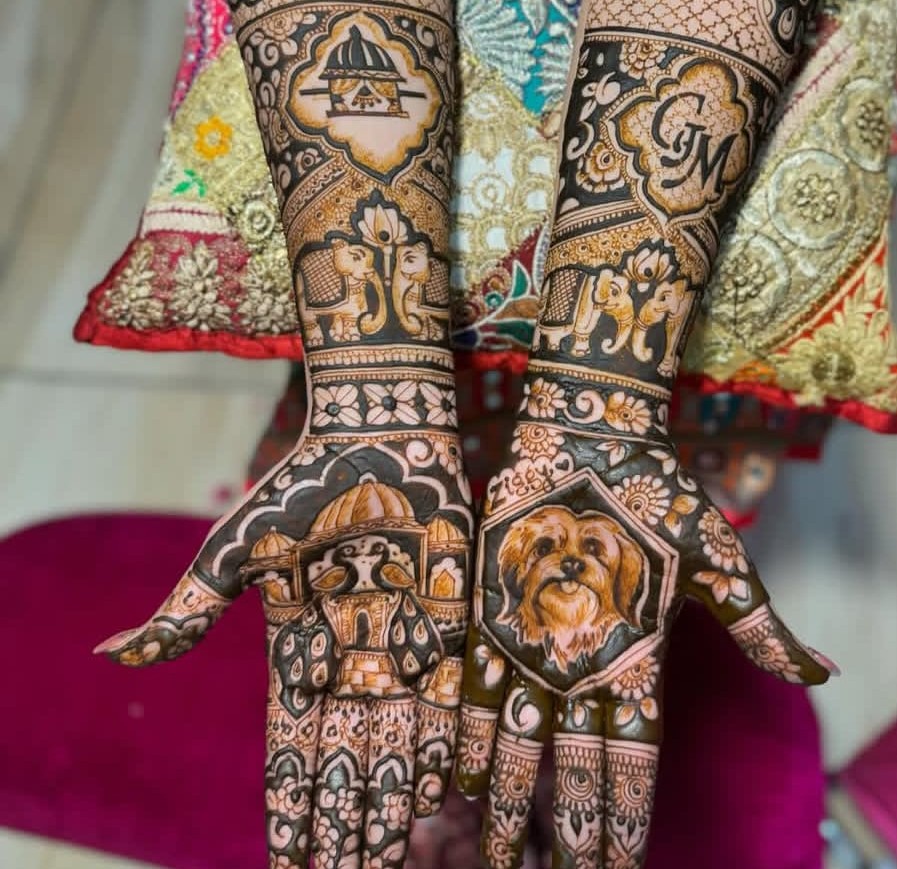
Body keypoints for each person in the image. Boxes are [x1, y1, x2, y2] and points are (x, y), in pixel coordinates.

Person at [95, 2, 838, 868]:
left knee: (651, 502)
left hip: (692, 209)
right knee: (400, 453)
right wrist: (376, 396)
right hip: (375, 191)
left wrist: (599, 408)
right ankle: (448, 715)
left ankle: (544, 687)